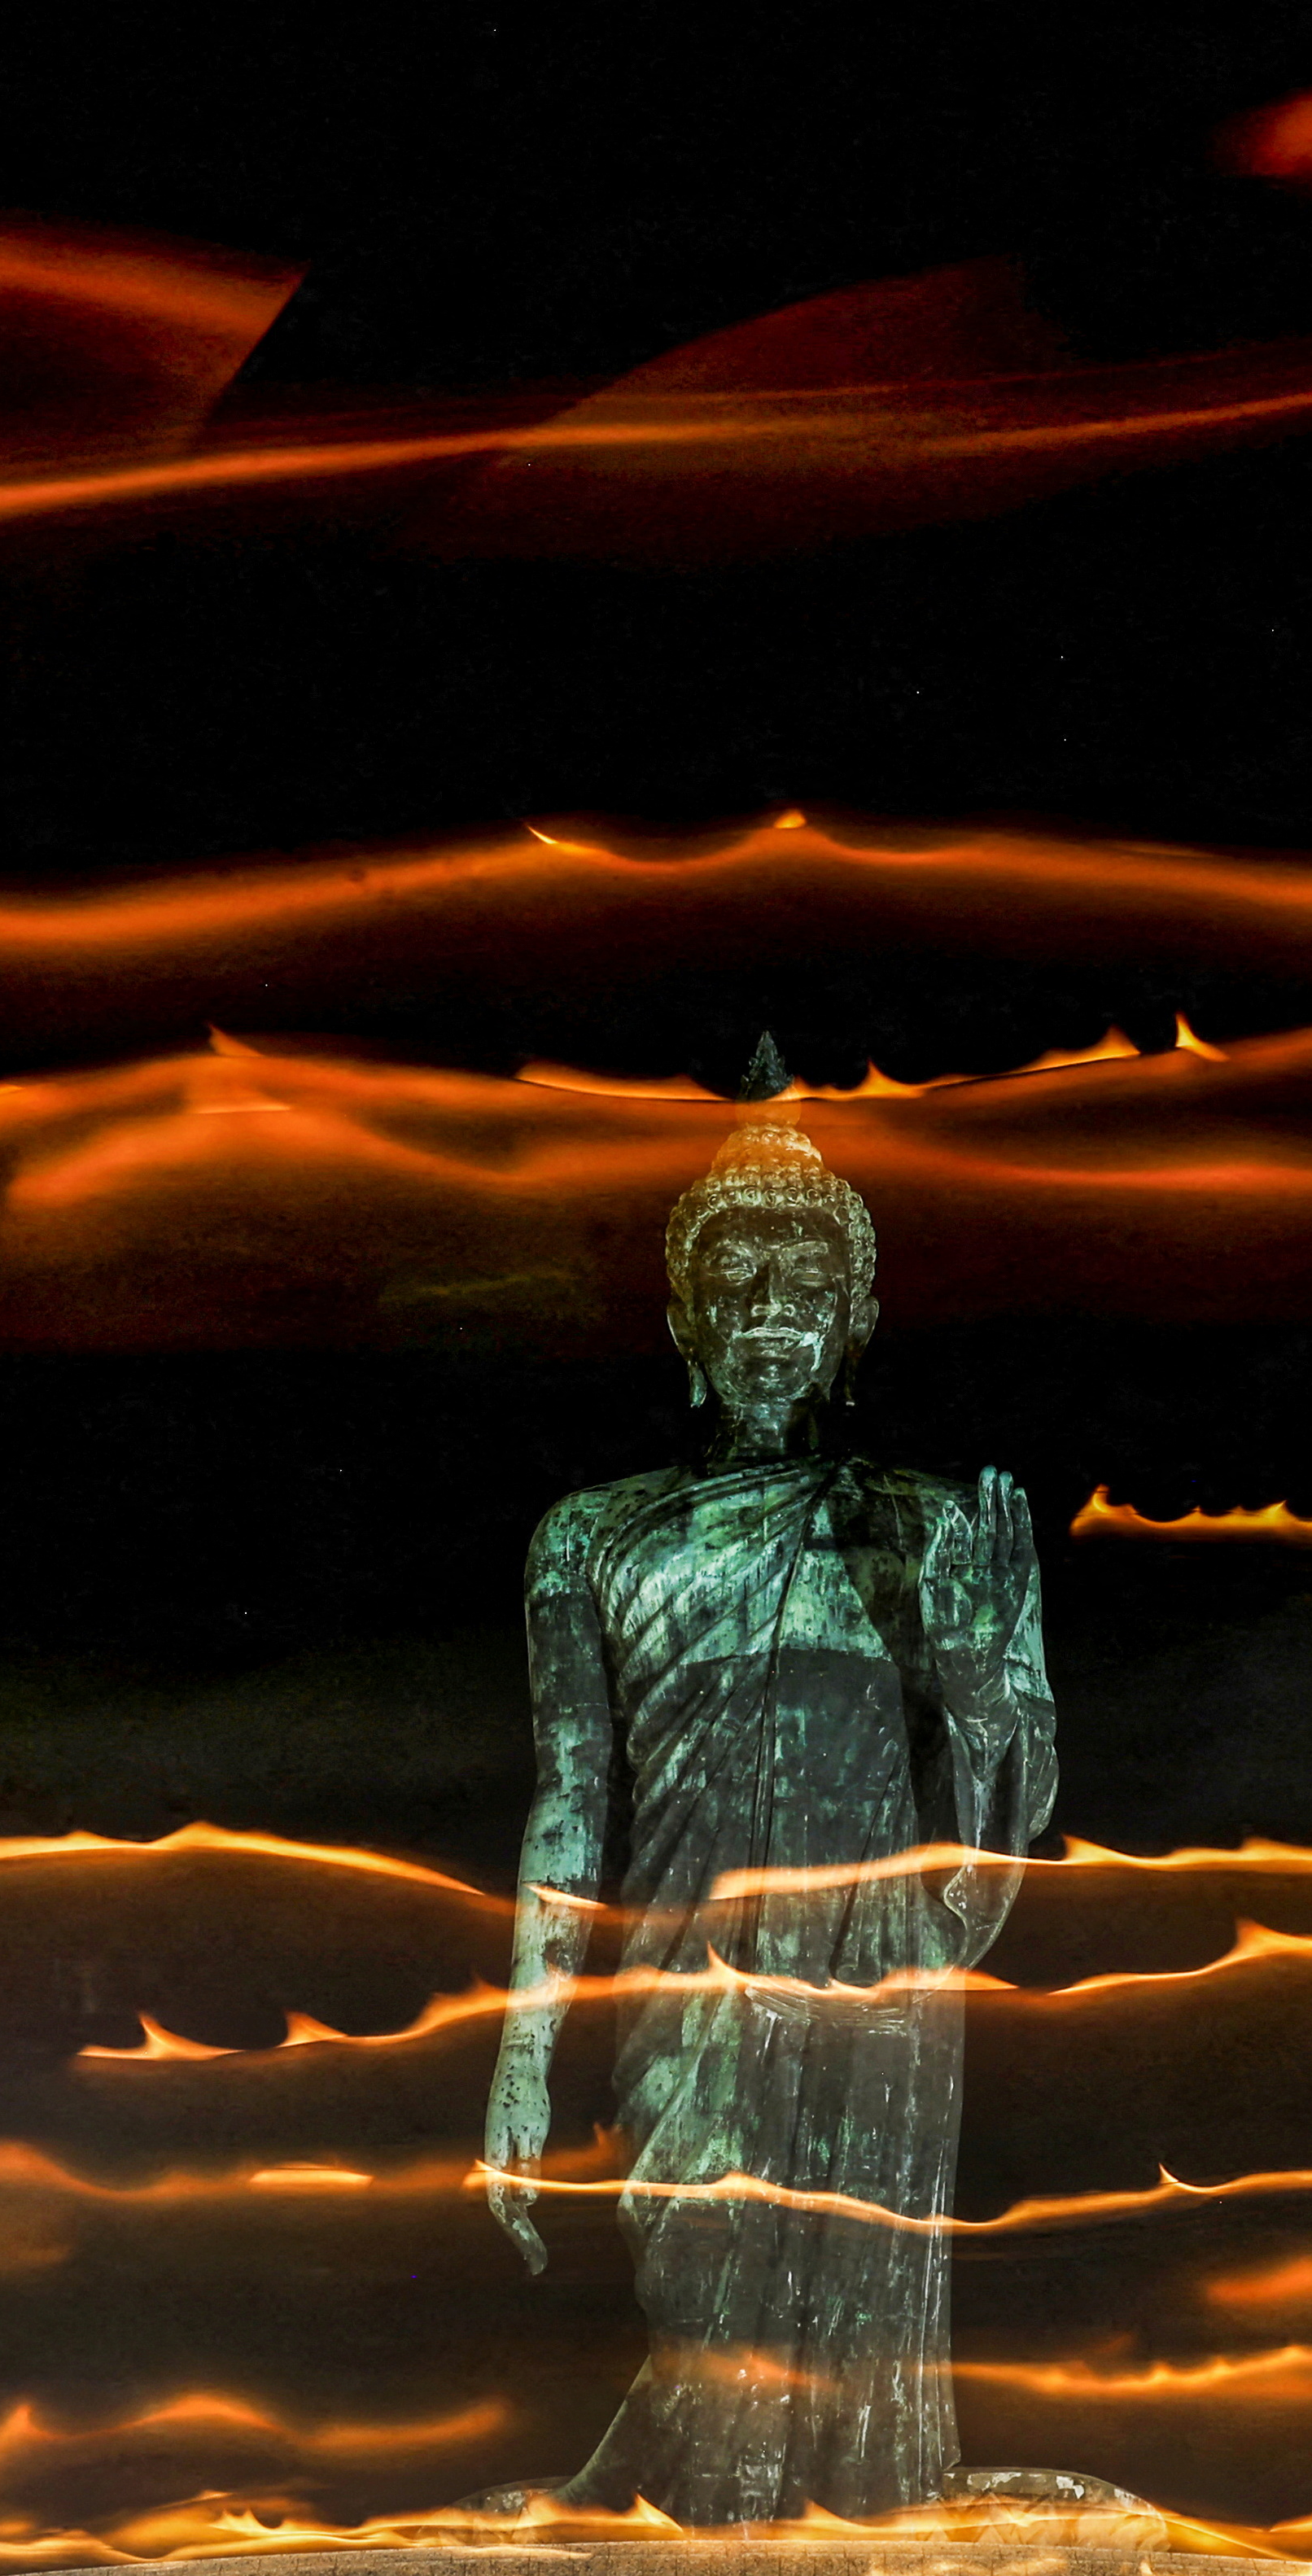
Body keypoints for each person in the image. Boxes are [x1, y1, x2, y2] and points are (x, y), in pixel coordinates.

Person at [479, 1037, 1058, 2526]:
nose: (769, 1315)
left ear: (856, 1317)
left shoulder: (935, 1530)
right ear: (684, 1315)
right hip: (686, 1958)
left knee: (840, 2318)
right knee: (694, 2253)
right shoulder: (591, 1534)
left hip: (873, 1969)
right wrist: (523, 2054)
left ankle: (811, 2531)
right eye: (734, 1283)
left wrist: (981, 1694)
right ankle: (701, 2522)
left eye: (805, 1286)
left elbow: (993, 1846)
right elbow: (570, 1796)